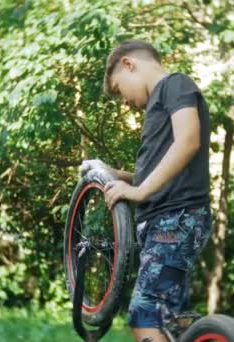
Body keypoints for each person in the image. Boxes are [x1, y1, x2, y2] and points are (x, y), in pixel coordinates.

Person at [79, 39, 212, 342]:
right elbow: (154, 176)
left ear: (129, 64)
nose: (122, 101)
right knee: (170, 320)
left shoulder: (175, 85)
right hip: (168, 221)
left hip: (176, 219)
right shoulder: (159, 105)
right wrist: (119, 176)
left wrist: (137, 193)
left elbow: (188, 141)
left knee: (144, 313)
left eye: (118, 89)